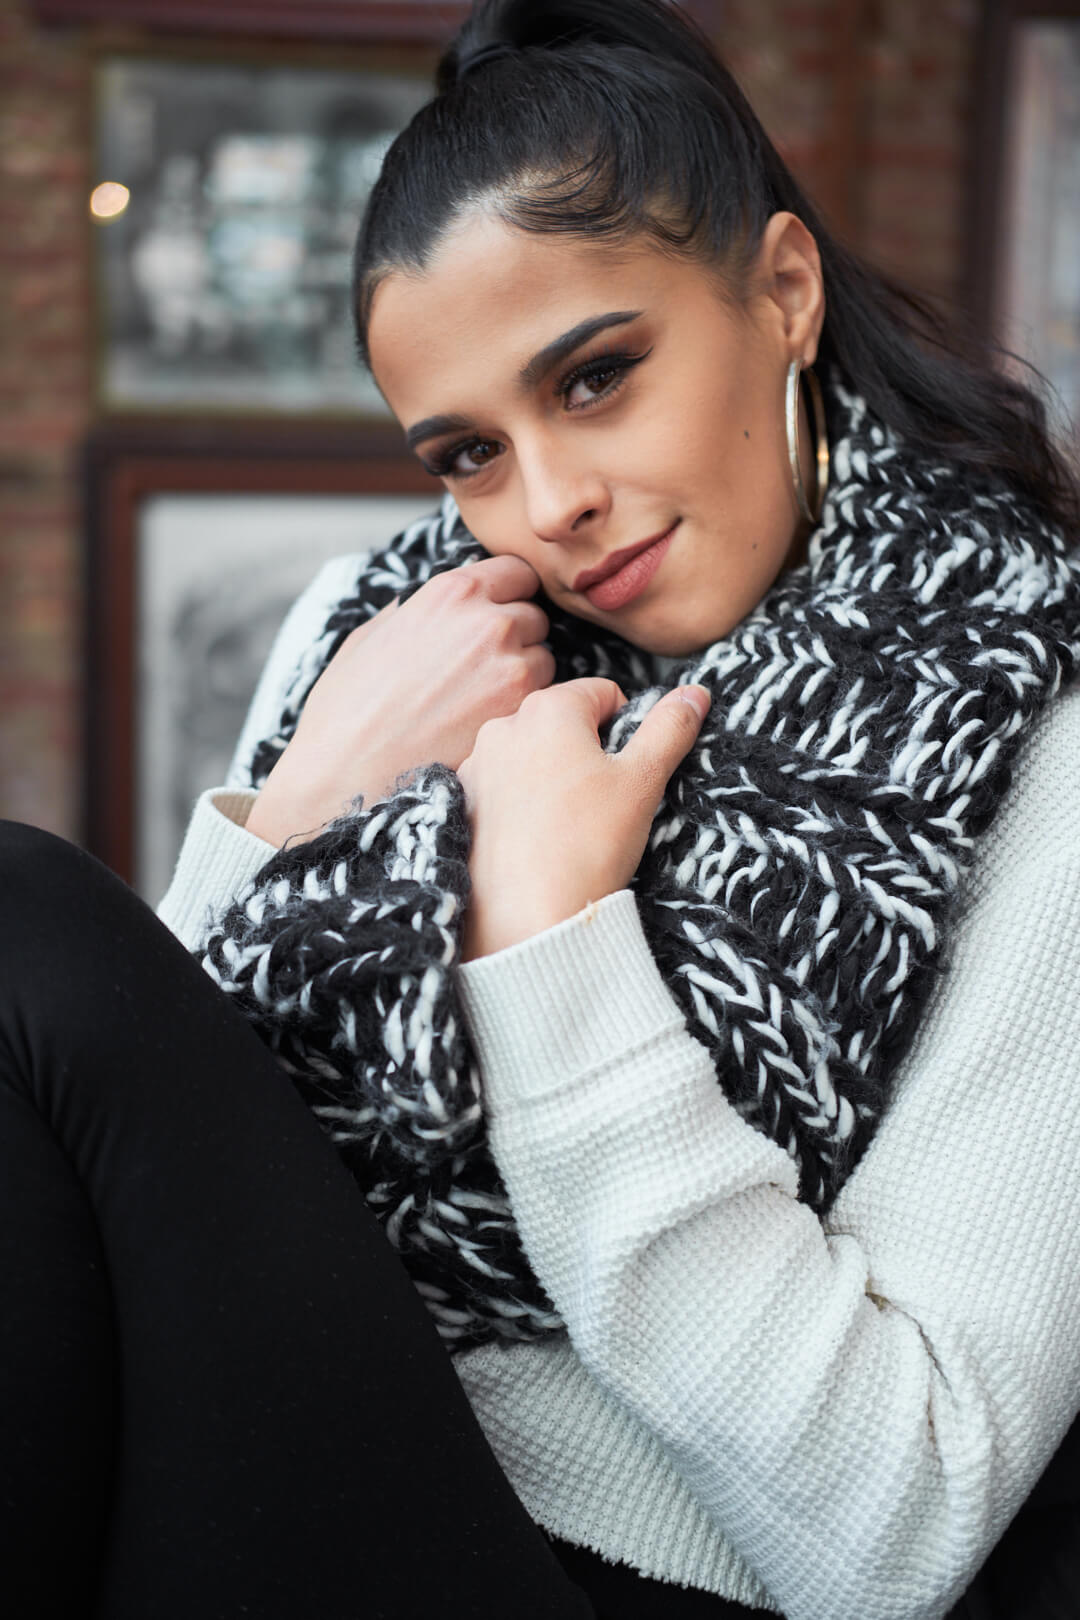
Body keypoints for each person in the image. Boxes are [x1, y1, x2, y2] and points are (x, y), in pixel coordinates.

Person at [3, 2, 1078, 1616]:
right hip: (257, 1436)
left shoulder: (1044, 730)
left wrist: (555, 944)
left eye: (595, 378)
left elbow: (894, 1530)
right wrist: (294, 805)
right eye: (466, 453)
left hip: (621, 1564)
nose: (546, 506)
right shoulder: (388, 634)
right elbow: (140, 1133)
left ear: (783, 291)